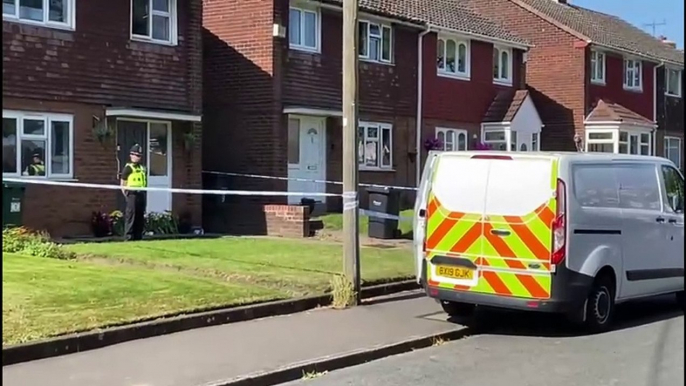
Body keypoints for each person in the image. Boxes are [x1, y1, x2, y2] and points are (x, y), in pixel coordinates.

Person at [120, 144, 147, 241]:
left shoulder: (143, 168)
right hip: (132, 194)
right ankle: (128, 237)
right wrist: (126, 194)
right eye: (135, 155)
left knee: (140, 216)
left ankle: (138, 237)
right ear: (131, 155)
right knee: (131, 216)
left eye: (139, 155)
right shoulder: (128, 168)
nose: (137, 157)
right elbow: (123, 183)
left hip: (141, 194)